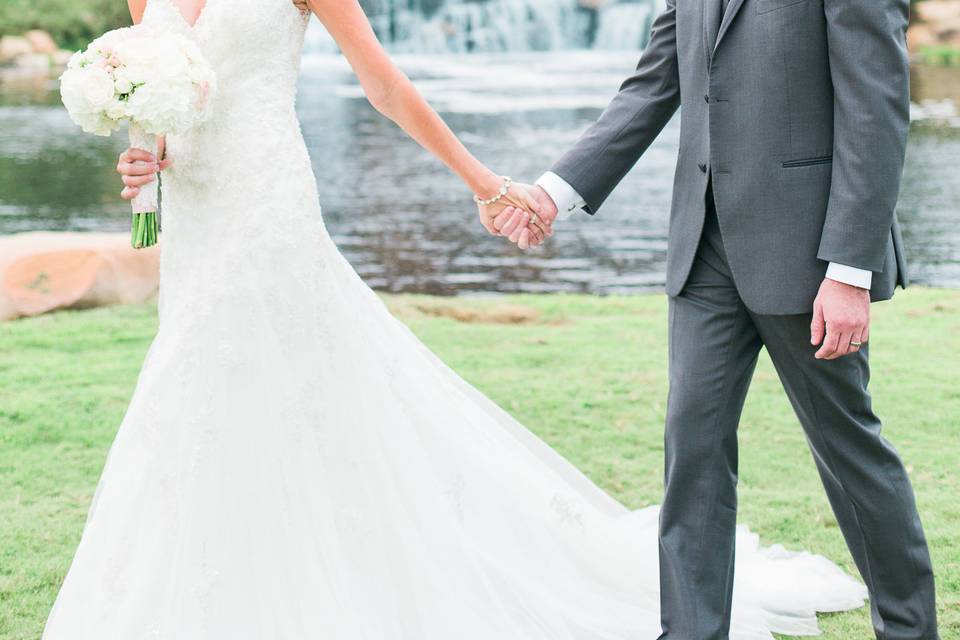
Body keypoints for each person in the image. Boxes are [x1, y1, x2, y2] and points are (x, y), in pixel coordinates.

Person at [43, 1, 872, 637]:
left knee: (290, 381)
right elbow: (167, 123)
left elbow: (384, 86)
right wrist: (147, 163)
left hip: (267, 203)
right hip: (195, 217)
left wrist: (487, 183)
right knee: (196, 389)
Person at [503, 0, 939, 638]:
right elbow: (653, 85)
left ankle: (908, 629)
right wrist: (554, 190)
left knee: (848, 449)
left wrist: (849, 269)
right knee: (693, 447)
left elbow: (875, 107)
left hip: (808, 255)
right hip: (703, 249)